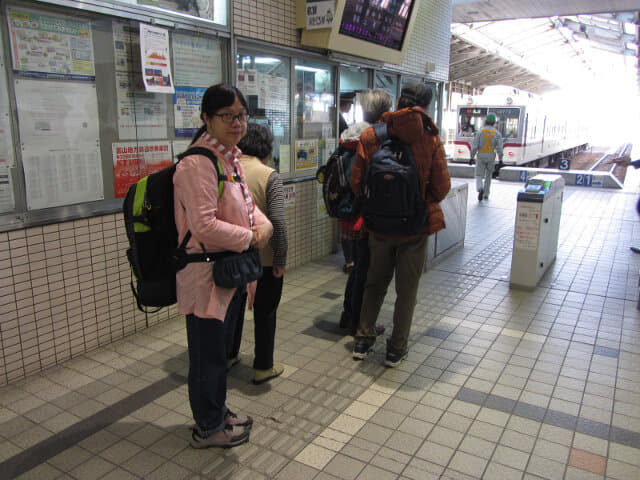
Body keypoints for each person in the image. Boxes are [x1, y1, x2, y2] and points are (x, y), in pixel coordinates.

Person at [173, 83, 273, 448]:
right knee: (206, 357)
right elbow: (203, 225)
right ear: (206, 119)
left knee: (220, 355)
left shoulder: (228, 159)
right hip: (204, 277)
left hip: (228, 274)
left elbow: (248, 206)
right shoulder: (195, 164)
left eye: (242, 115)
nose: (237, 123)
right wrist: (250, 236)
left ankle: (217, 412)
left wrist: (264, 223)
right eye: (227, 116)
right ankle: (207, 428)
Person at [349, 82, 451, 367]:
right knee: (406, 293)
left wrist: (376, 206)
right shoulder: (430, 138)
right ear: (427, 105)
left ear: (399, 101)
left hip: (378, 228)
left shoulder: (372, 135)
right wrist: (418, 203)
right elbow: (442, 188)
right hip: (414, 229)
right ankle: (396, 348)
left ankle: (362, 339)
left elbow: (356, 182)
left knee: (374, 284)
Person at [227, 123, 288, 384]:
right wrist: (280, 259)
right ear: (266, 148)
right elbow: (278, 223)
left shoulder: (226, 169)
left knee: (232, 308)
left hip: (230, 257)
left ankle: (228, 355)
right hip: (262, 259)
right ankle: (263, 367)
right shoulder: (268, 175)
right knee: (265, 312)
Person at [337, 89, 392, 337]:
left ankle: (348, 315)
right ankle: (357, 322)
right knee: (364, 271)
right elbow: (363, 179)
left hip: (347, 211)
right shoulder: (373, 138)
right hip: (363, 214)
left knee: (357, 268)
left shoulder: (350, 134)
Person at [470, 113, 503, 201]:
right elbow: (499, 148)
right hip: (491, 156)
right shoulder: (497, 133)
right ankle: (486, 194)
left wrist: (471, 157)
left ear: (486, 121)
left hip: (481, 155)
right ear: (494, 123)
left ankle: (480, 188)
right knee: (488, 175)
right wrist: (500, 159)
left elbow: (474, 146)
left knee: (479, 174)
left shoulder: (480, 132)